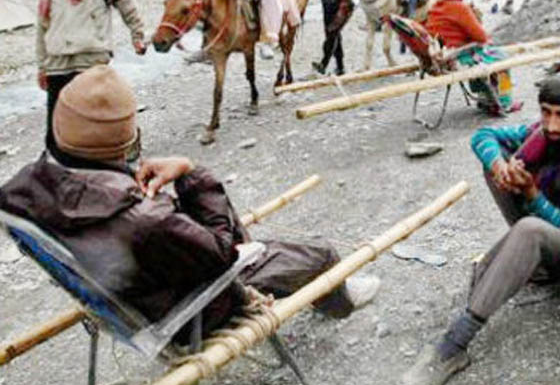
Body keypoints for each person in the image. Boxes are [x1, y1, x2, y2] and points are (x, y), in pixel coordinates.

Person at [0, 66, 380, 341]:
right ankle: (338, 299)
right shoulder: (144, 218)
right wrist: (190, 173)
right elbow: (223, 256)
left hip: (122, 297)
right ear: (126, 137)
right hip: (189, 312)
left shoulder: (20, 191)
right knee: (321, 253)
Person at [394, 76, 560, 385]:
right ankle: (525, 260)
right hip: (555, 228)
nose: (551, 124)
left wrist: (533, 194)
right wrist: (499, 167)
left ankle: (454, 345)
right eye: (546, 112)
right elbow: (483, 135)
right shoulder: (544, 135)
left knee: (529, 231)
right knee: (500, 166)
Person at [35, 0, 146, 153]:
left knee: (98, 114)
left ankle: (125, 142)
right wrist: (42, 66)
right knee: (56, 120)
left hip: (90, 59)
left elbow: (127, 3)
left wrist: (137, 35)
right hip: (57, 63)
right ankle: (57, 163)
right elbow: (42, 28)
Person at [425, 0, 518, 114]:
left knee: (482, 53)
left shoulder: (436, 7)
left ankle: (484, 96)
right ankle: (505, 102)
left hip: (440, 55)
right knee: (501, 57)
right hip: (457, 57)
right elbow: (481, 37)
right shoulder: (459, 8)